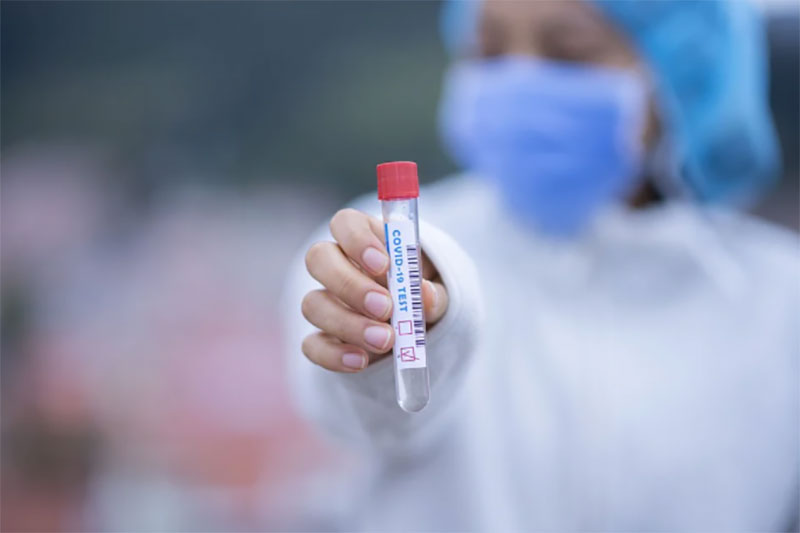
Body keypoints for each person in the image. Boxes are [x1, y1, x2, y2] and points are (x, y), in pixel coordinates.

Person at [283, 0, 799, 530]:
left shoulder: (778, 301)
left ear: (680, 73)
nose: (519, 78)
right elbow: (373, 418)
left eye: (570, 52)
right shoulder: (384, 246)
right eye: (488, 51)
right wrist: (410, 328)